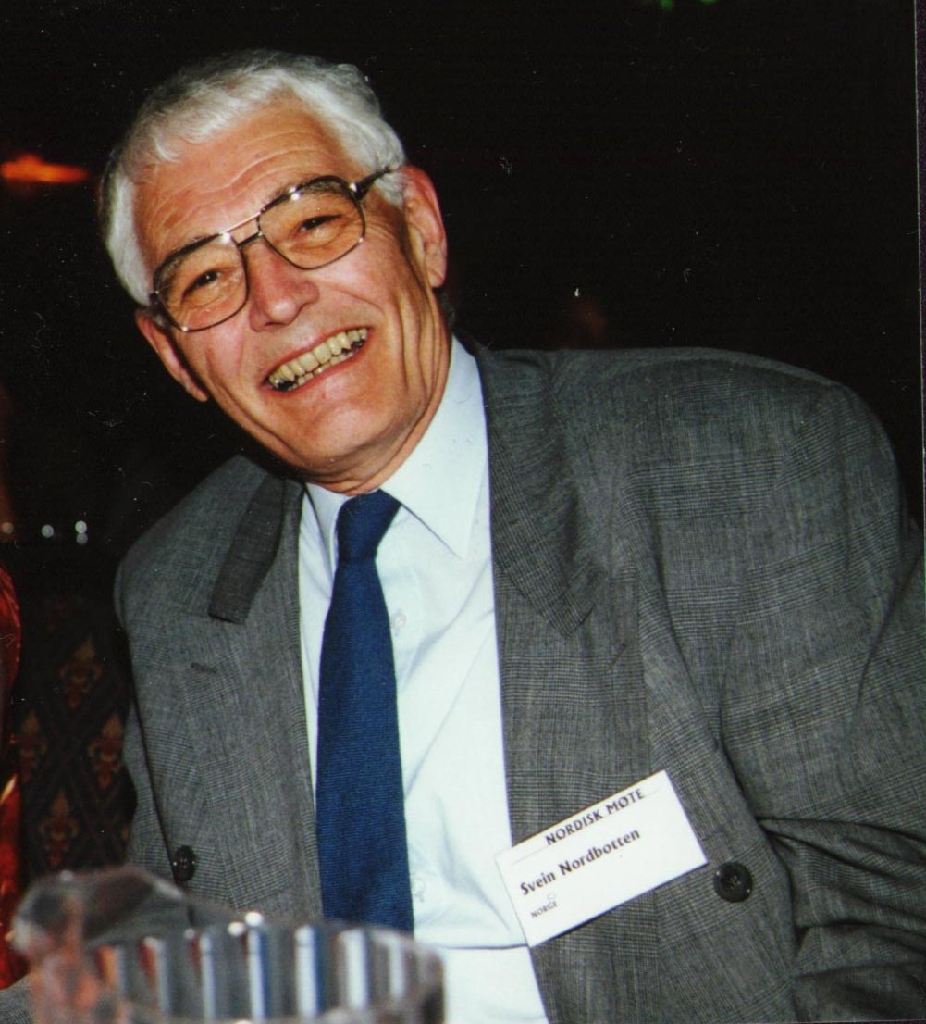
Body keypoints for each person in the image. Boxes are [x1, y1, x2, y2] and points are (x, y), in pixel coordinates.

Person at [4, 49, 924, 1023]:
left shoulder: (738, 463)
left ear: (422, 230)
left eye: (312, 223)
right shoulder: (177, 583)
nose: (274, 300)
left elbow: (892, 918)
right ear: (173, 354)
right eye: (204, 277)